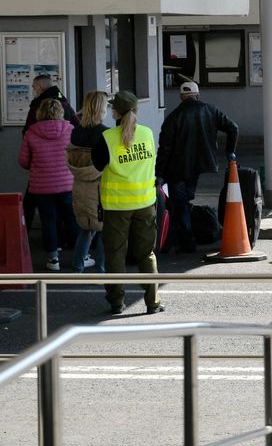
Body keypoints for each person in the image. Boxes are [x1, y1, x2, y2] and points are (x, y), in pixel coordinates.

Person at [91, 91, 163, 315]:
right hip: (145, 204)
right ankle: (153, 302)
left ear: (116, 112)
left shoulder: (107, 138)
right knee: (146, 254)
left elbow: (97, 165)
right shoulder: (148, 134)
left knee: (115, 254)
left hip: (116, 207)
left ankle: (116, 302)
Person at [156, 81, 239, 253]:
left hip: (176, 169)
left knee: (180, 204)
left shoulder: (172, 118)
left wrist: (159, 175)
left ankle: (187, 241)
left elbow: (164, 150)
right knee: (184, 201)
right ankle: (184, 235)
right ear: (198, 95)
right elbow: (233, 128)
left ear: (181, 97)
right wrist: (230, 151)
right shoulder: (211, 110)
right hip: (199, 165)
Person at [17, 99, 78, 271]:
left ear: (39, 113)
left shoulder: (31, 133)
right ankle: (81, 255)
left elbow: (23, 160)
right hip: (66, 184)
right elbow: (76, 156)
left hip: (41, 186)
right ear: (60, 112)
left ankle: (53, 260)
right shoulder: (70, 130)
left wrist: (36, 165)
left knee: (48, 221)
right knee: (72, 219)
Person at [22, 74, 81, 234]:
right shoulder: (65, 103)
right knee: (68, 214)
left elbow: (24, 155)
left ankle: (27, 238)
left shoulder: (36, 108)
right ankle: (78, 251)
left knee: (43, 214)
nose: (33, 91)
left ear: (40, 87)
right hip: (65, 175)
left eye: (34, 87)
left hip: (40, 174)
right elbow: (78, 129)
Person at [67, 91, 109, 273]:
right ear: (101, 108)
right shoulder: (105, 133)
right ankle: (101, 267)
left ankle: (78, 265)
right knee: (104, 229)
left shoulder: (75, 132)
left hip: (79, 185)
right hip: (99, 188)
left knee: (85, 227)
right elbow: (108, 163)